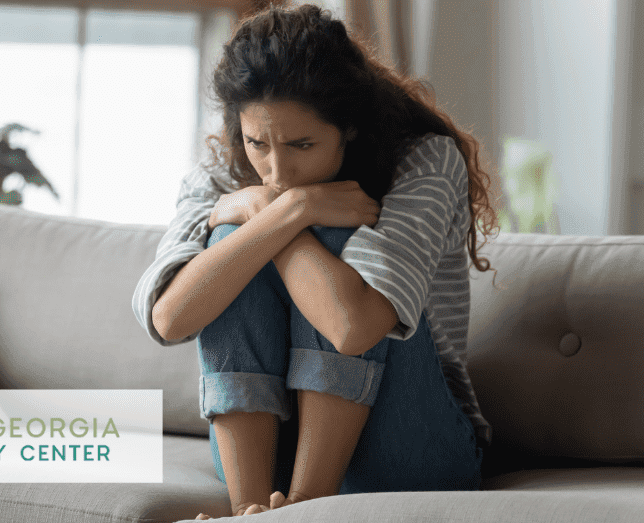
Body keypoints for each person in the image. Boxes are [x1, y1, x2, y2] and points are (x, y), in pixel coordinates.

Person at [131, 3, 500, 518]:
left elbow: (352, 327)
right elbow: (169, 319)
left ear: (348, 127)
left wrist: (288, 213)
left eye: (301, 144)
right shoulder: (222, 171)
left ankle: (307, 507)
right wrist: (275, 212)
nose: (276, 169)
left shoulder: (425, 160)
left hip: (412, 446)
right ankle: (251, 510)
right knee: (231, 248)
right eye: (257, 143)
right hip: (272, 453)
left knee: (327, 236)